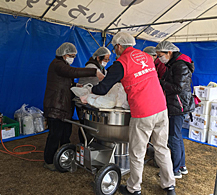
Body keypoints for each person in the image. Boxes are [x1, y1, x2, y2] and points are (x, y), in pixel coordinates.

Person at [89, 32, 176, 195]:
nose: (115, 51)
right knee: (162, 148)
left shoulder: (121, 63)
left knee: (137, 152)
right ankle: (169, 185)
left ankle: (133, 188)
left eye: (115, 48)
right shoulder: (147, 57)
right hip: (161, 108)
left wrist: (89, 91)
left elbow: (102, 88)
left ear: (119, 46)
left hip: (143, 111)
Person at [43, 42, 104, 171]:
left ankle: (64, 157)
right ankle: (49, 161)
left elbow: (64, 81)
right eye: (71, 56)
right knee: (55, 135)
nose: (73, 58)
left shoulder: (62, 65)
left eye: (74, 56)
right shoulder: (57, 64)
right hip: (56, 106)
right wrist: (94, 72)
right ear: (64, 54)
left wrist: (76, 86)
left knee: (65, 133)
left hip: (63, 107)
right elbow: (72, 71)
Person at [156, 41, 195, 179]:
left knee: (173, 137)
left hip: (177, 105)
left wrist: (160, 82)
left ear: (169, 52)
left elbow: (178, 87)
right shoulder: (174, 64)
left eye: (160, 55)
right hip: (177, 104)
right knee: (177, 136)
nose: (159, 58)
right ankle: (181, 166)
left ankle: (175, 169)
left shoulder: (179, 65)